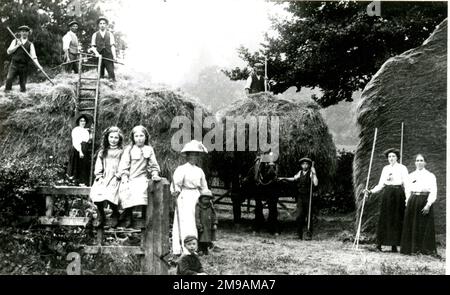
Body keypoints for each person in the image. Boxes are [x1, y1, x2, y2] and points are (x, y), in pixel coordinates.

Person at [364, 148, 409, 252]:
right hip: (387, 194)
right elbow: (380, 185)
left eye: (393, 156)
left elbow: (407, 184)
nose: (391, 158)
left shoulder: (403, 168)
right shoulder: (385, 169)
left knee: (397, 218)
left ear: (397, 157)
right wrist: (371, 191)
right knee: (385, 218)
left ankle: (394, 245)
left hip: (398, 194)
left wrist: (407, 199)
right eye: (389, 157)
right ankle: (379, 244)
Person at [118, 125, 161, 228]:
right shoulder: (129, 149)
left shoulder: (149, 149)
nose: (139, 138)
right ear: (133, 137)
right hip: (129, 177)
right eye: (136, 136)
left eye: (141, 135)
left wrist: (155, 173)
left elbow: (153, 165)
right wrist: (124, 177)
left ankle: (144, 215)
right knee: (126, 189)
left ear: (146, 137)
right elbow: (124, 165)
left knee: (141, 189)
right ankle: (128, 214)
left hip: (142, 177)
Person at [171, 140, 209, 255]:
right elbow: (175, 185)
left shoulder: (199, 171)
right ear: (187, 155)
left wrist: (206, 197)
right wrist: (175, 192)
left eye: (196, 154)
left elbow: (204, 187)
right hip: (185, 197)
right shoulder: (181, 169)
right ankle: (182, 248)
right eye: (191, 154)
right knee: (186, 221)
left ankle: (196, 247)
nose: (194, 157)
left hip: (197, 197)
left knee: (197, 220)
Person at [400, 154, 438, 255]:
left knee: (423, 224)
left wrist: (428, 204)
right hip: (413, 200)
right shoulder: (411, 175)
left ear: (425, 162)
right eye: (417, 160)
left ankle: (424, 249)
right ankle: (412, 249)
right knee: (412, 224)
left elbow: (433, 191)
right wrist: (408, 202)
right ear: (415, 162)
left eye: (421, 160)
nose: (419, 162)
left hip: (424, 200)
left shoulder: (430, 175)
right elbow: (407, 190)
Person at [90, 127, 124, 230]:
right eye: (111, 137)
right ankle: (101, 214)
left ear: (119, 139)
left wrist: (118, 176)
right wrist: (99, 176)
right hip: (105, 176)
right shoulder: (103, 152)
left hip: (117, 177)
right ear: (107, 138)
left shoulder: (122, 152)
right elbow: (99, 165)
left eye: (116, 138)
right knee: (97, 191)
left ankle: (115, 212)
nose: (113, 140)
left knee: (111, 193)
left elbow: (124, 165)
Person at [280, 157, 318, 240]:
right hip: (300, 196)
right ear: (301, 165)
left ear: (308, 165)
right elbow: (294, 179)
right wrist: (283, 178)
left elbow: (315, 183)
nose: (305, 165)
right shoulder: (300, 172)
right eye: (303, 164)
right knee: (299, 215)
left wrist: (314, 174)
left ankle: (308, 234)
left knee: (309, 216)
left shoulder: (311, 173)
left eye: (306, 164)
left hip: (308, 197)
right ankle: (298, 234)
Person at [4, 25, 43, 93]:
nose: (24, 33)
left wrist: (39, 66)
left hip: (24, 66)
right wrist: (17, 46)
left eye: (26, 31)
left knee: (23, 85)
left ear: (28, 33)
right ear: (20, 33)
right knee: (9, 79)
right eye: (23, 31)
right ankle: (7, 95)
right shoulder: (15, 41)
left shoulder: (30, 44)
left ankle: (23, 97)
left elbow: (34, 57)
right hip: (14, 65)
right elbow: (8, 51)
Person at [67, 114, 91, 186]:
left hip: (85, 148)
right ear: (78, 122)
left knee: (83, 165)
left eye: (84, 121)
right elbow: (76, 141)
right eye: (81, 121)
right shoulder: (76, 130)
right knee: (77, 164)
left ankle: (82, 182)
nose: (83, 122)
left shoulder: (86, 131)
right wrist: (80, 151)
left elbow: (87, 140)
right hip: (78, 149)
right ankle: (75, 182)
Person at [90, 16, 116, 81]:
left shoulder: (110, 34)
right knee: (100, 75)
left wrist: (114, 56)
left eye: (104, 23)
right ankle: (100, 89)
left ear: (106, 25)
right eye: (100, 23)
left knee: (111, 73)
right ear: (98, 25)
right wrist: (96, 54)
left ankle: (113, 86)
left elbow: (112, 46)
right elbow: (93, 47)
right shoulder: (95, 34)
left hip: (108, 55)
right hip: (99, 55)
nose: (102, 25)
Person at [195, 188, 218, 255]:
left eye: (208, 199)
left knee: (208, 238)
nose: (207, 201)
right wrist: (199, 225)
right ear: (201, 199)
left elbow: (214, 215)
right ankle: (200, 250)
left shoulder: (210, 206)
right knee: (201, 238)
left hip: (209, 226)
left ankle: (206, 249)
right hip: (202, 226)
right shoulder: (198, 206)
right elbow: (197, 217)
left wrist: (215, 223)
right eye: (205, 199)